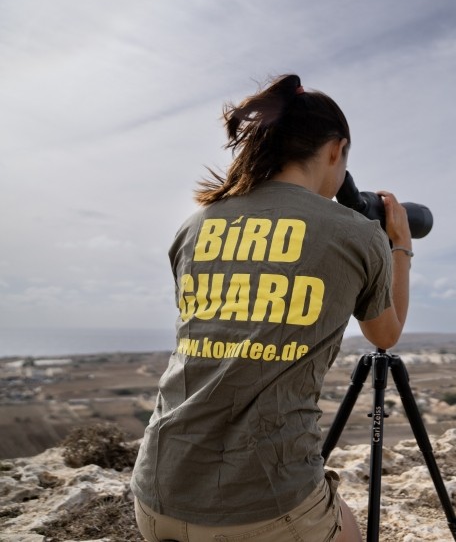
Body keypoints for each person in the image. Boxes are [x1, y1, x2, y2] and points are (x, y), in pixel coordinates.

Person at [130, 73, 412, 542]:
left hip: (155, 490)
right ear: (336, 150)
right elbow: (386, 335)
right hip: (261, 506)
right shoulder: (355, 233)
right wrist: (398, 246)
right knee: (349, 528)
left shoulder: (194, 225)